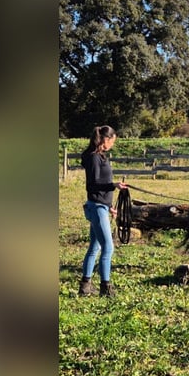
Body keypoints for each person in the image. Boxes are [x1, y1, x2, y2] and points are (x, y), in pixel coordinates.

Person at [78, 125, 127, 297]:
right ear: (106, 139)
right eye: (112, 141)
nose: (113, 144)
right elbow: (93, 185)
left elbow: (101, 186)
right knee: (108, 247)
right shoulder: (93, 159)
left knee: (95, 246)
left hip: (101, 206)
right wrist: (114, 186)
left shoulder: (100, 157)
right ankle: (105, 287)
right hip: (97, 207)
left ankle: (85, 286)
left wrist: (110, 206)